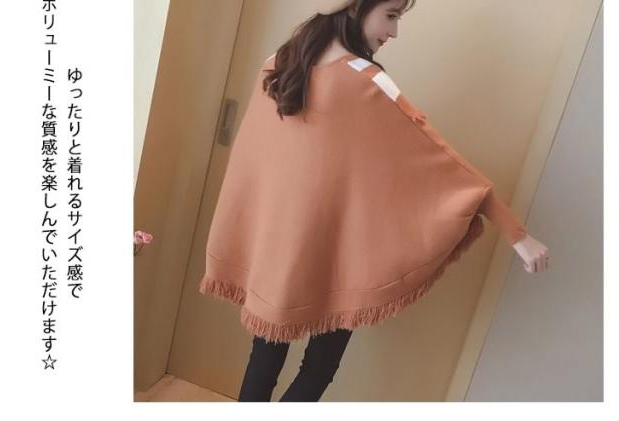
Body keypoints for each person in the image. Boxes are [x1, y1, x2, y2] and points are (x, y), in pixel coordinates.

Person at [200, 0, 550, 402]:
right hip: (338, 257)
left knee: (263, 360)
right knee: (318, 369)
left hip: (279, 253)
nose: (394, 32)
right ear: (354, 8)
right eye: (391, 15)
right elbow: (442, 160)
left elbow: (255, 168)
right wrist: (516, 233)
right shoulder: (366, 81)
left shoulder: (277, 63)